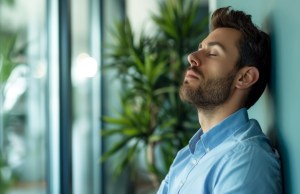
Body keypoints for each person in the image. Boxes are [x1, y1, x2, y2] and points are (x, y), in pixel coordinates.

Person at [157, 6, 282, 194]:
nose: (192, 57)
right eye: (200, 48)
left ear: (244, 77)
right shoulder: (187, 156)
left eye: (213, 53)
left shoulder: (245, 160)